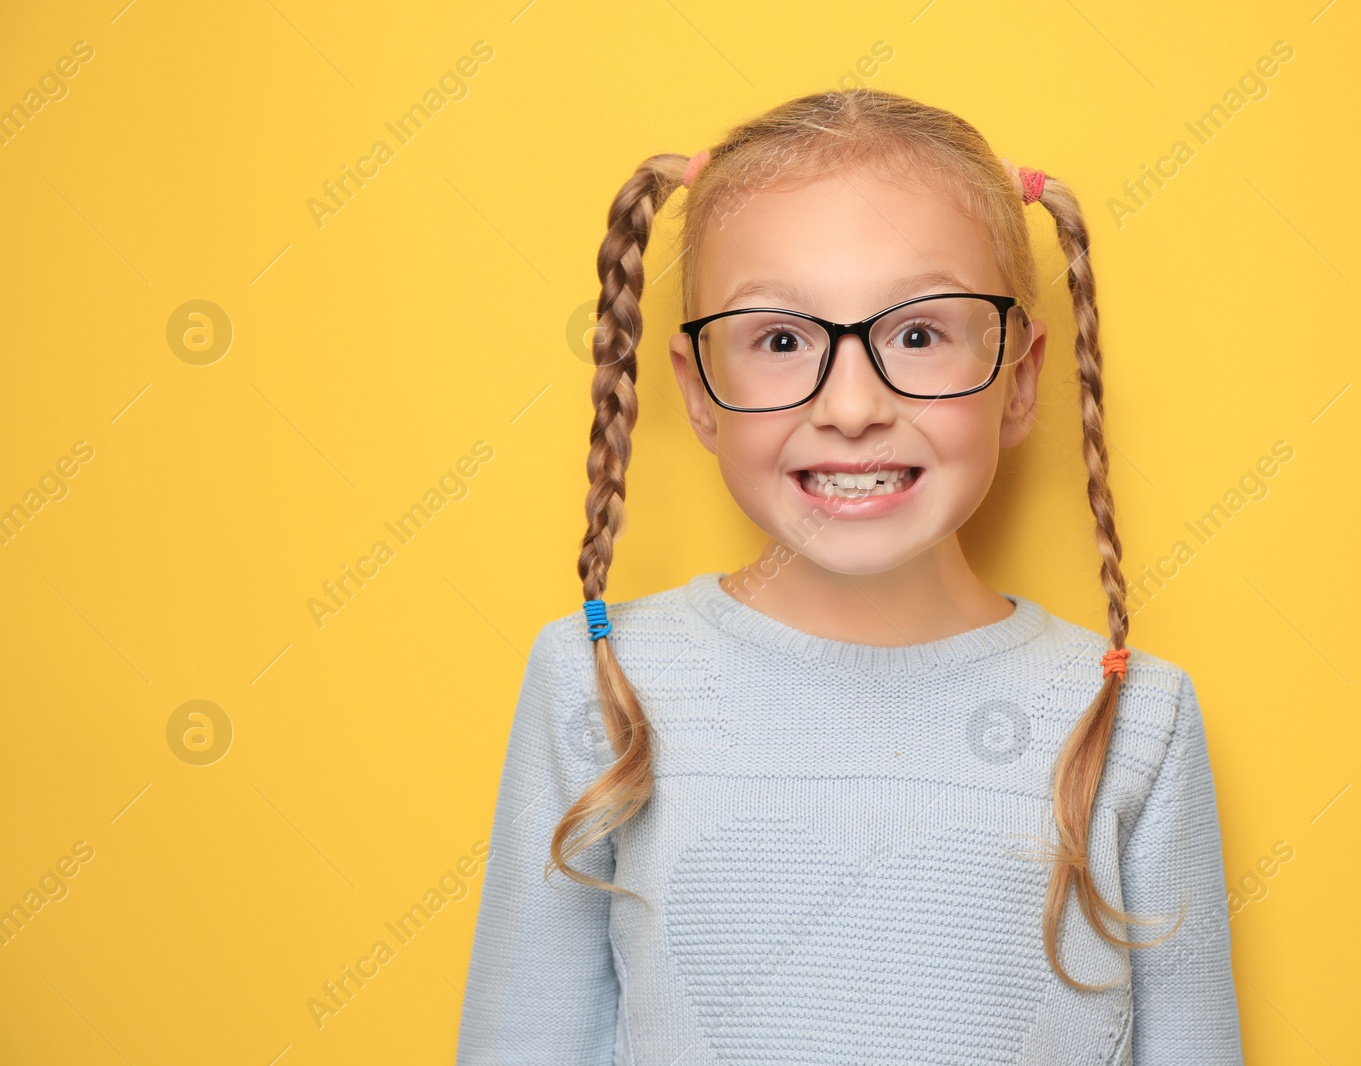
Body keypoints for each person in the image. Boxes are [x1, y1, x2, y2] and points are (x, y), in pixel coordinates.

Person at [457, 87, 1242, 1064]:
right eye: (781, 342)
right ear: (697, 393)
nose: (853, 405)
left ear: (1020, 375)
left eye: (917, 333)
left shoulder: (1132, 716)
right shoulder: (602, 681)